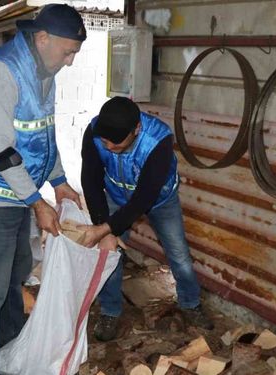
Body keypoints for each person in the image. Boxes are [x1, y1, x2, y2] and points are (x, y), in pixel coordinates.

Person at [0, 4, 85, 374]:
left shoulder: (46, 70)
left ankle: (11, 349)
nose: (71, 61)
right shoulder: (0, 73)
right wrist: (36, 201)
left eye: (75, 53)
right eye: (68, 51)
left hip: (15, 194)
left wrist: (59, 181)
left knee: (16, 274)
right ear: (42, 38)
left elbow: (43, 133)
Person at [79, 96, 214, 342]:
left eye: (116, 142)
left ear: (136, 130)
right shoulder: (94, 132)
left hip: (159, 200)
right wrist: (104, 229)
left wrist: (108, 229)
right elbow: (90, 180)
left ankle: (190, 303)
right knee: (109, 253)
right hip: (115, 195)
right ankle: (110, 310)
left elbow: (143, 199)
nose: (108, 147)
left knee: (179, 254)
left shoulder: (158, 141)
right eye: (105, 140)